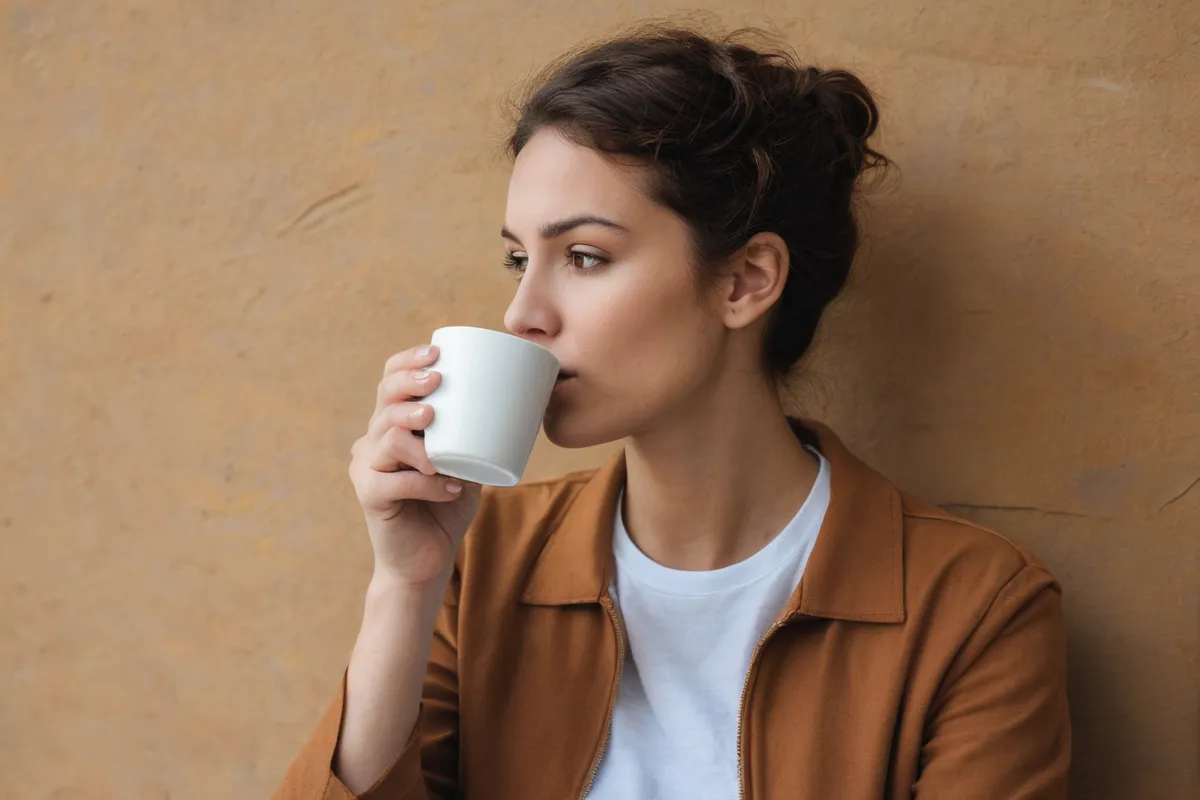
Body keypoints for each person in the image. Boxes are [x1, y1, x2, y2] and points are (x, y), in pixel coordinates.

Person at [274, 24, 1070, 800]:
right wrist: (403, 585)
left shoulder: (976, 609)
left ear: (745, 281)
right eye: (520, 259)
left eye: (584, 257)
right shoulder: (484, 558)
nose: (522, 314)